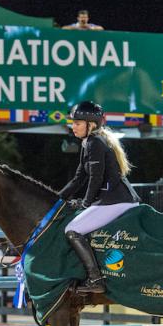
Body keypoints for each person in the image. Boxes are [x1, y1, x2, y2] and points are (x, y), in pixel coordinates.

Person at [60, 101, 140, 294]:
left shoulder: (95, 143)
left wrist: (86, 203)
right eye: (73, 123)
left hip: (116, 201)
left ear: (91, 125)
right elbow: (79, 177)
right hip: (114, 198)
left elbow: (95, 177)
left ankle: (95, 279)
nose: (73, 126)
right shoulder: (88, 142)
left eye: (78, 123)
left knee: (72, 230)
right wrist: (57, 198)